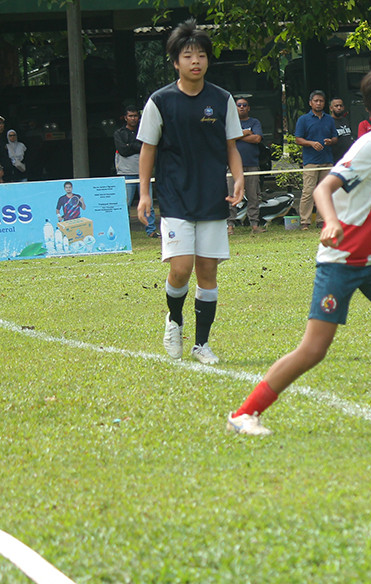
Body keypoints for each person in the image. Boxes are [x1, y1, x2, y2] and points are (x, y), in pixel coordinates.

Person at [226, 64, 371, 436]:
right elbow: (326, 188)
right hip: (341, 261)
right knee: (314, 350)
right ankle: (245, 413)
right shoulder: (369, 146)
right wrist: (331, 222)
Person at [137, 19, 244, 366]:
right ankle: (174, 319)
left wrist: (238, 178)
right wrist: (144, 194)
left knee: (208, 273)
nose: (195, 61)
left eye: (201, 55)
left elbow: (231, 146)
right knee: (181, 269)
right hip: (175, 196)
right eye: (188, 55)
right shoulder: (160, 101)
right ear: (175, 61)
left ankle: (201, 344)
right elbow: (147, 150)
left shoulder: (222, 100)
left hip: (212, 195)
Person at [294, 90, 336, 229]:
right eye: (316, 101)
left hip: (327, 160)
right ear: (310, 103)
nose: (318, 103)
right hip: (311, 161)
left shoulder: (329, 119)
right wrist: (311, 143)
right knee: (308, 191)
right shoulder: (303, 119)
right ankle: (305, 221)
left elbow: (335, 137)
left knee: (326, 191)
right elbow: (298, 139)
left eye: (321, 101)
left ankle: (321, 220)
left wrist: (330, 141)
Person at [114, 106, 158, 237]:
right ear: (125, 118)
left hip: (144, 173)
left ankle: (151, 231)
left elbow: (150, 148)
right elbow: (123, 150)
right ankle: (124, 232)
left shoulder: (144, 130)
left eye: (135, 116)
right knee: (125, 204)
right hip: (125, 173)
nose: (133, 118)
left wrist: (131, 145)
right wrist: (136, 146)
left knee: (148, 204)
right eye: (130, 116)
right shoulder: (119, 133)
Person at [227, 97, 264, 234]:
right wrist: (245, 133)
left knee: (253, 196)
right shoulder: (230, 123)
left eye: (244, 105)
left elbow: (257, 138)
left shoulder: (254, 122)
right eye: (239, 105)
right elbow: (226, 138)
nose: (241, 107)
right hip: (232, 167)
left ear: (248, 108)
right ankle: (230, 225)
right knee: (231, 195)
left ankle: (254, 225)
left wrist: (236, 136)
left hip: (252, 164)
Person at [328, 96, 354, 164]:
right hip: (335, 160)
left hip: (348, 159)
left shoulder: (346, 121)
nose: (339, 108)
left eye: (341, 106)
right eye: (336, 106)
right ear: (331, 108)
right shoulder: (328, 122)